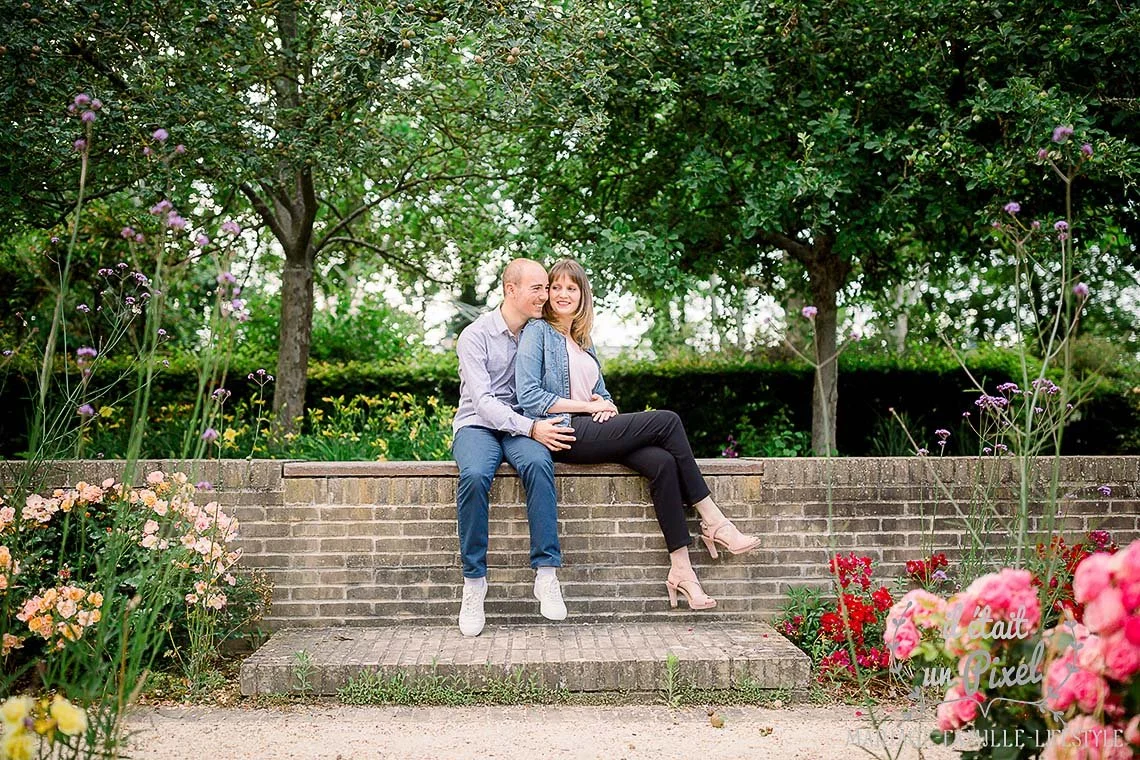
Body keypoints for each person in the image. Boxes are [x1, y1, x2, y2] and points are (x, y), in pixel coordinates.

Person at [515, 259, 761, 610]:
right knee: (667, 421)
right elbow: (529, 396)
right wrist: (588, 407)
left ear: (583, 293)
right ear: (549, 293)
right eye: (556, 287)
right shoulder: (537, 332)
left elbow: (601, 392)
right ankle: (714, 520)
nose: (563, 294)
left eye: (572, 287)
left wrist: (603, 403)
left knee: (662, 463)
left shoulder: (583, 339)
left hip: (592, 427)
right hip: (565, 432)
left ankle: (682, 571)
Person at [452, 258, 577, 637]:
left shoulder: (540, 333)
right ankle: (474, 583)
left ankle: (546, 574)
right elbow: (485, 403)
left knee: (540, 467)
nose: (546, 295)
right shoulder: (474, 336)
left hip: (524, 426)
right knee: (474, 475)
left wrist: (595, 404)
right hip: (478, 423)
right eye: (537, 288)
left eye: (546, 287)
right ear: (511, 290)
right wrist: (532, 427)